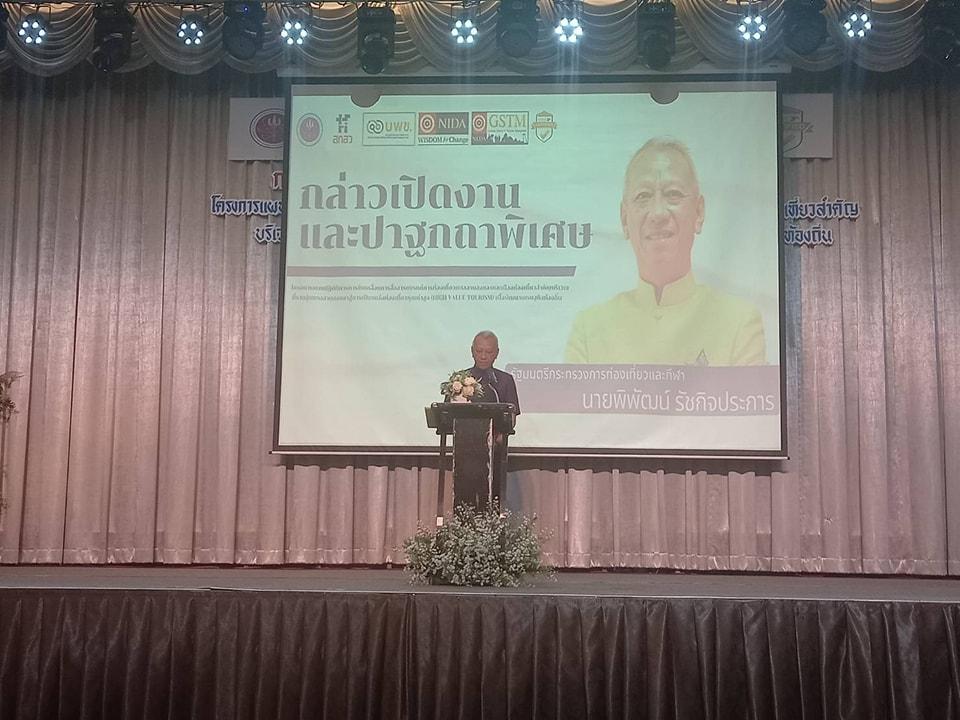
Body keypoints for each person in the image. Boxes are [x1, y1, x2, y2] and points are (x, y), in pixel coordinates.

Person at [565, 138, 766, 366]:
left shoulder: (739, 323)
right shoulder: (589, 330)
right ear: (624, 219)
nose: (658, 213)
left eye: (673, 194)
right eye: (643, 196)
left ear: (699, 212)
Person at [467, 331, 520, 413]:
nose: (483, 356)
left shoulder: (506, 380)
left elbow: (512, 415)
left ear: (497, 353)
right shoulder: (459, 379)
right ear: (472, 351)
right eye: (479, 351)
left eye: (489, 352)